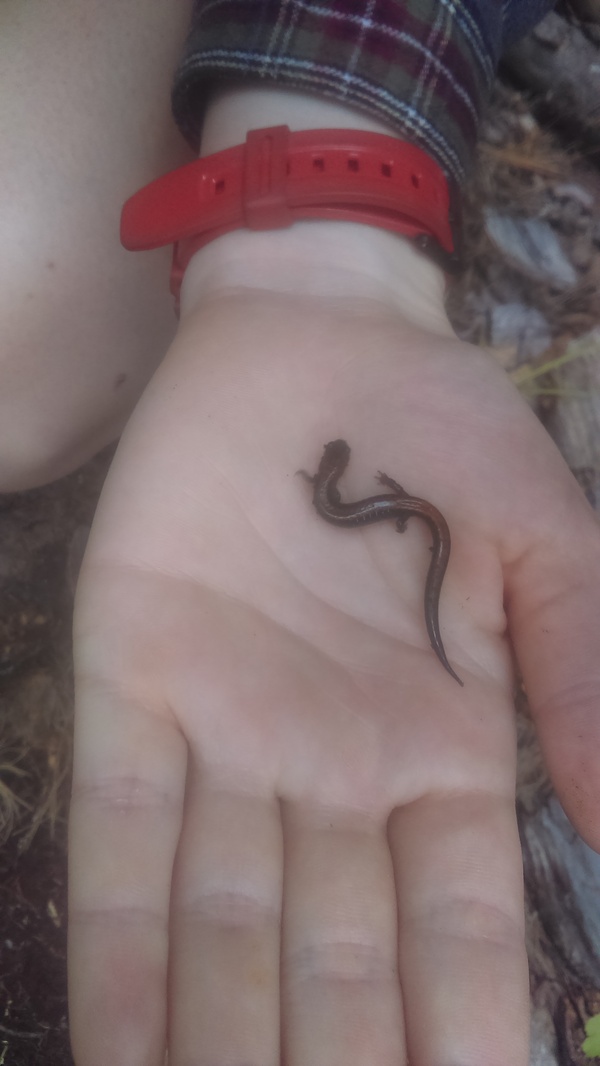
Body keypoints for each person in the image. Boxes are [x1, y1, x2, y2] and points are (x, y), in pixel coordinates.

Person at [2, 2, 600, 1064]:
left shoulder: (354, 493)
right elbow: (342, 496)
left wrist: (324, 246)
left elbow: (349, 497)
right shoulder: (346, 492)